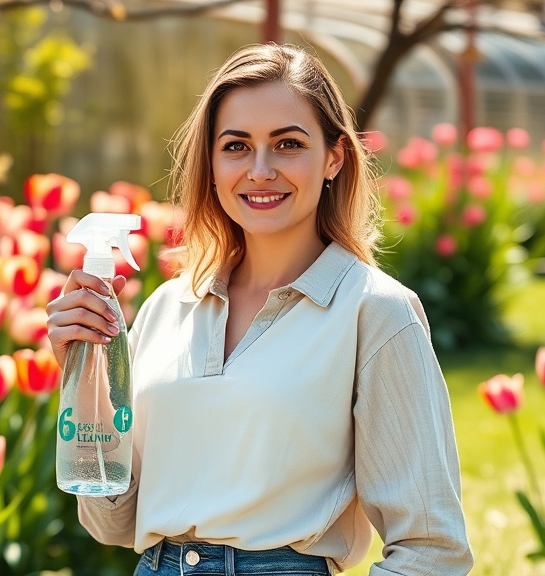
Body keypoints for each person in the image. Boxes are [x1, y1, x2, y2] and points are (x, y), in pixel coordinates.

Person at [45, 43, 473, 576]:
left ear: (334, 158)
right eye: (237, 146)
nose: (260, 169)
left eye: (288, 144)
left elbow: (433, 549)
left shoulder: (376, 313)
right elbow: (114, 525)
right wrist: (82, 377)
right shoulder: (166, 307)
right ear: (212, 162)